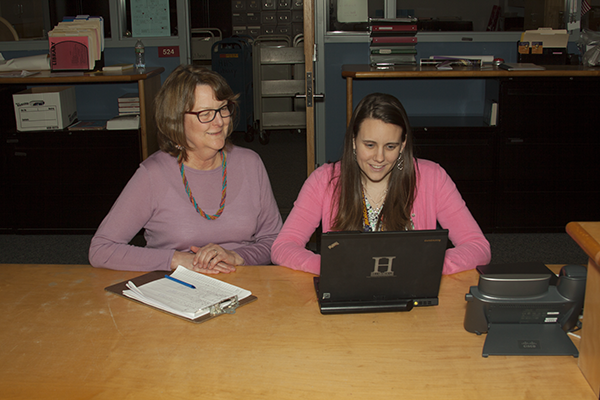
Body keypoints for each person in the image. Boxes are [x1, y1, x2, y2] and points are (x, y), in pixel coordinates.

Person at [89, 65, 282, 273]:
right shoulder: (153, 175)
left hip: (242, 283)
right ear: (176, 120)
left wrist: (238, 256)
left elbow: (275, 240)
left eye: (223, 108)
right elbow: (101, 250)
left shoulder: (250, 163)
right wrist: (177, 259)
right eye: (205, 113)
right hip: (177, 288)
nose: (219, 122)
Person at [271, 92, 490, 275]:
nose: (379, 157)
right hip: (348, 291)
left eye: (390, 147)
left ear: (403, 144)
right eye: (369, 145)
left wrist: (427, 263)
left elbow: (478, 247)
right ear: (354, 141)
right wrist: (331, 266)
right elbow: (282, 248)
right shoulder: (324, 180)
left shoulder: (433, 178)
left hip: (410, 295)